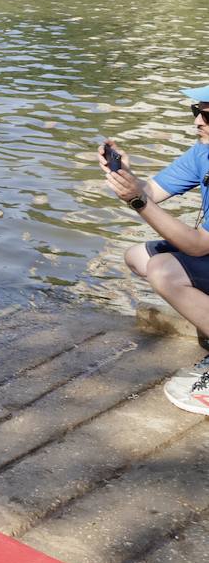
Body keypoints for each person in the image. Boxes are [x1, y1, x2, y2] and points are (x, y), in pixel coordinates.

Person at [101, 86, 209, 416]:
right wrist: (125, 177)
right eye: (197, 110)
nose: (198, 121)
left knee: (163, 271)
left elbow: (197, 244)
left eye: (208, 113)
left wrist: (137, 201)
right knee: (139, 257)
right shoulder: (203, 151)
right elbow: (153, 191)